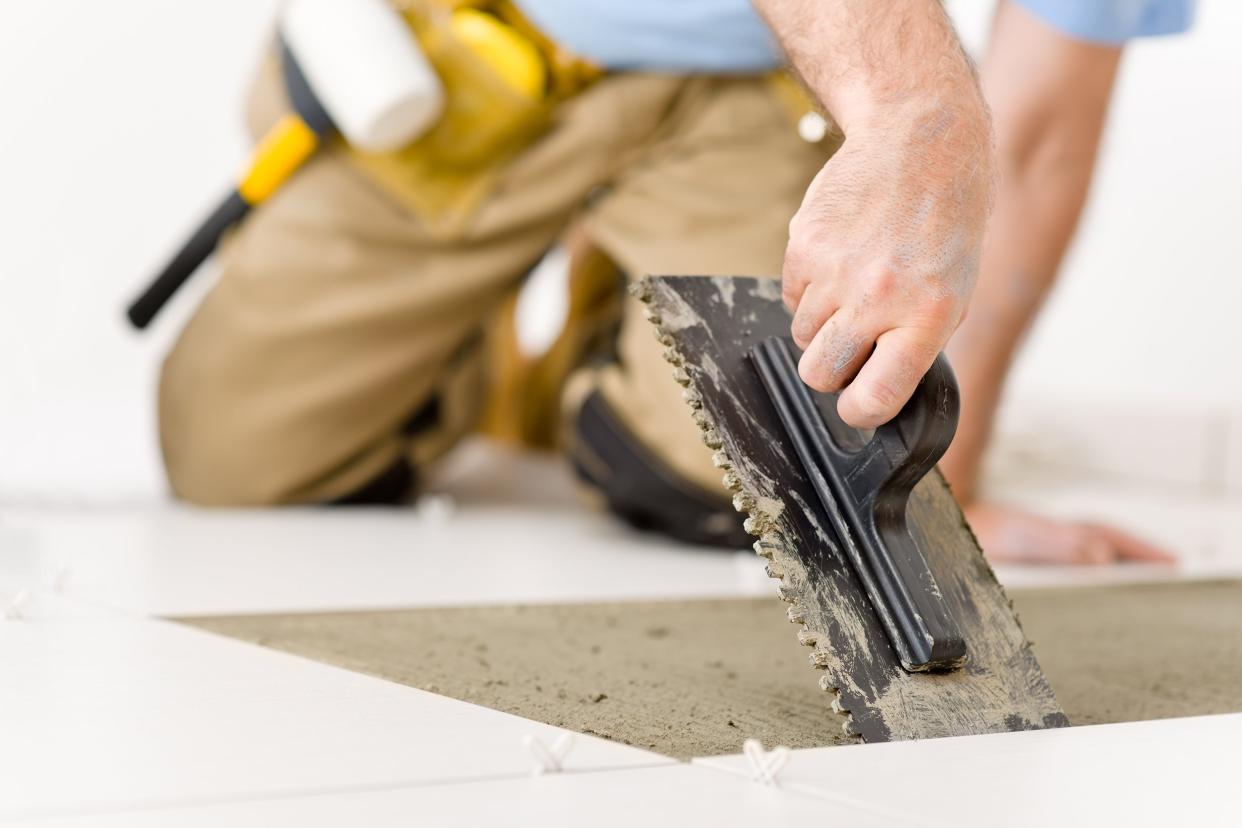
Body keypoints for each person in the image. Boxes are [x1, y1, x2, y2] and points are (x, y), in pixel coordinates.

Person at [154, 0, 1180, 561]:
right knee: (236, 458)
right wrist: (915, 105)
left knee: (777, 479)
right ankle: (472, 328)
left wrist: (944, 480)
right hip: (478, 50)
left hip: (742, 98)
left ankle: (607, 310)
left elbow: (1036, 139)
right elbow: (934, 121)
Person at [940, 0, 1191, 565]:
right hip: (766, 47)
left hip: (776, 104)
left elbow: (1033, 143)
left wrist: (935, 489)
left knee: (766, 472)